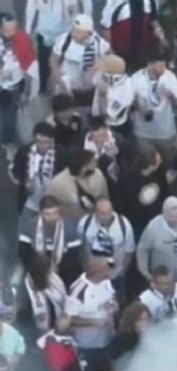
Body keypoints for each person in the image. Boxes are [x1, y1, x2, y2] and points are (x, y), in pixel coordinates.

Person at [65, 257, 118, 371]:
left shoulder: (106, 281)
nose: (109, 271)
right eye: (106, 269)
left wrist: (113, 304)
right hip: (87, 346)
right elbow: (69, 319)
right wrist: (93, 322)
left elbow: (112, 295)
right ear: (97, 272)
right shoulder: (78, 291)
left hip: (107, 340)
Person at [131, 50, 177, 164]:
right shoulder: (136, 78)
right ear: (150, 64)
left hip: (166, 131)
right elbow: (129, 102)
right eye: (160, 65)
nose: (163, 68)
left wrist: (171, 96)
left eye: (164, 65)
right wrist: (140, 107)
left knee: (172, 161)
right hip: (143, 132)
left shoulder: (169, 77)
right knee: (149, 163)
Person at [77, 198, 135, 301]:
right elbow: (80, 247)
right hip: (93, 275)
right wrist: (84, 267)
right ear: (95, 212)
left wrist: (122, 272)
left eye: (109, 213)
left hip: (115, 274)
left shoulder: (124, 225)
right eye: (102, 214)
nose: (106, 216)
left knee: (116, 303)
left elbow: (129, 251)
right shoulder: (85, 223)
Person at [18, 195, 82, 287]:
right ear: (41, 213)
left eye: (55, 213)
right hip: (37, 269)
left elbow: (74, 256)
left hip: (63, 269)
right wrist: (41, 267)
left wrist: (56, 269)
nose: (52, 217)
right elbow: (24, 252)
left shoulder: (70, 228)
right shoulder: (29, 227)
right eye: (48, 214)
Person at [50, 14, 111, 109]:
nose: (74, 34)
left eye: (78, 32)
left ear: (88, 33)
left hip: (91, 91)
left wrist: (98, 68)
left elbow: (111, 59)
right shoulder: (64, 41)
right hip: (69, 89)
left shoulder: (99, 44)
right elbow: (53, 61)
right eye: (73, 29)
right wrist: (61, 83)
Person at [25, 0, 86, 93]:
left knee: (62, 65)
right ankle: (43, 87)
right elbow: (30, 12)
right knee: (43, 64)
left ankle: (61, 91)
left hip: (65, 34)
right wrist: (29, 34)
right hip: (44, 34)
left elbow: (79, 11)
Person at [0, 14, 38, 156]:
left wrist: (26, 92)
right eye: (7, 30)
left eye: (14, 29)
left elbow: (29, 68)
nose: (12, 34)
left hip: (14, 88)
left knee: (10, 117)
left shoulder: (23, 41)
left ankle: (7, 139)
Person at [11, 122, 67, 216]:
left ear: (52, 141)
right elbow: (16, 170)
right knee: (26, 227)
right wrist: (24, 182)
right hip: (30, 200)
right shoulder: (23, 152)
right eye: (38, 141)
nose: (41, 145)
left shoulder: (61, 154)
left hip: (52, 200)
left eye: (45, 142)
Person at [14, 252, 67, 347]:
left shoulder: (55, 280)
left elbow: (64, 301)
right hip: (36, 341)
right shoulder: (24, 291)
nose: (52, 272)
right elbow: (23, 322)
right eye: (48, 272)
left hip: (58, 336)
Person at [117, 145, 169, 240]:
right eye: (158, 161)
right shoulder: (127, 179)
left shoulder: (159, 172)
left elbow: (165, 188)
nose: (161, 161)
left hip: (159, 213)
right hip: (139, 219)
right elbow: (126, 201)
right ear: (150, 166)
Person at [47, 148, 110, 222]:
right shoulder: (58, 182)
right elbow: (49, 203)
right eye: (92, 161)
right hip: (70, 222)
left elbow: (104, 197)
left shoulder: (98, 175)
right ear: (84, 164)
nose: (96, 163)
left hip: (93, 220)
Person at [100, 0, 163, 72]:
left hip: (144, 52)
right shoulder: (116, 2)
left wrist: (161, 37)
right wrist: (110, 50)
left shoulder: (150, 1)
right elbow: (106, 26)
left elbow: (153, 20)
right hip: (121, 53)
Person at [91, 54, 134, 136]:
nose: (100, 71)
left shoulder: (126, 88)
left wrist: (102, 95)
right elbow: (94, 79)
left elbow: (107, 115)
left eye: (103, 69)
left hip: (116, 128)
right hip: (97, 122)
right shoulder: (102, 76)